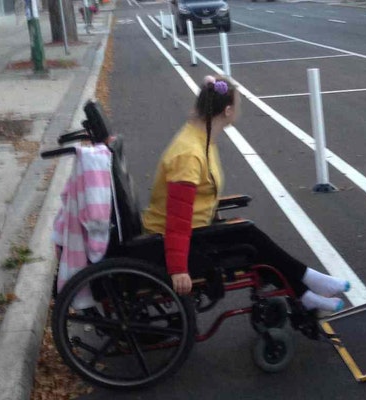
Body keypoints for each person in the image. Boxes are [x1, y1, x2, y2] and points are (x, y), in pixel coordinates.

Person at [142, 75, 349, 312]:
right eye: (238, 106)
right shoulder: (189, 154)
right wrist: (178, 269)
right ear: (228, 111)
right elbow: (177, 221)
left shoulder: (201, 138)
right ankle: (308, 282)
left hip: (196, 229)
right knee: (250, 236)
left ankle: (305, 289)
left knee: (250, 238)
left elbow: (198, 198)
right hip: (177, 238)